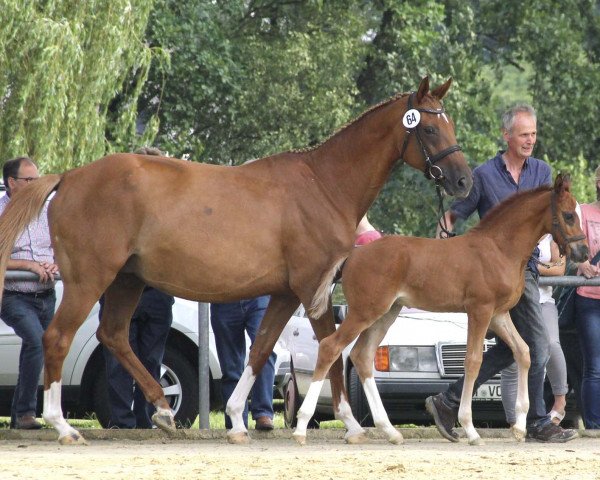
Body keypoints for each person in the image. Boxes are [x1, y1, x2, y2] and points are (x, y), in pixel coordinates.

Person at [425, 104, 578, 442]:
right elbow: (456, 214)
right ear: (506, 135)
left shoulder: (541, 172)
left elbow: (554, 221)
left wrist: (561, 251)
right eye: (524, 134)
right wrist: (441, 240)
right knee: (534, 345)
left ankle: (448, 400)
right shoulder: (484, 174)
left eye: (534, 134)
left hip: (526, 270)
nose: (530, 140)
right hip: (491, 272)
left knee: (518, 347)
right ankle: (537, 421)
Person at [100, 147, 175, 429]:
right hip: (121, 290)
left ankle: (147, 420)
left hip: (156, 295)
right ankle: (122, 421)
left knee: (152, 359)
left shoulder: (169, 209)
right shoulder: (119, 207)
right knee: (117, 361)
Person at [1, 156, 58, 429]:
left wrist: (54, 263)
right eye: (30, 180)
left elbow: (62, 245)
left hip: (46, 295)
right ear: (12, 183)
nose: (38, 186)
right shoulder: (1, 211)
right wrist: (28, 265)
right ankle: (25, 413)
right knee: (36, 341)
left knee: (40, 347)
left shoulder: (48, 210)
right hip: (14, 295)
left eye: (39, 180)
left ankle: (18, 418)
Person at [500, 234, 569, 426]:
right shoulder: (517, 231)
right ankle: (513, 421)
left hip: (544, 301)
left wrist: (529, 266)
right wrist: (543, 268)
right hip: (515, 302)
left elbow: (560, 269)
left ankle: (560, 401)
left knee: (551, 344)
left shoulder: (553, 237)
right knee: (512, 360)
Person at [100, 287, 174, 428]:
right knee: (119, 364)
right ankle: (122, 424)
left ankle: (144, 424)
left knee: (151, 362)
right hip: (120, 292)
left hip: (157, 295)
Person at [210, 296, 276, 430]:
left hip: (258, 295)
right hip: (224, 298)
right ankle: (236, 420)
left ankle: (263, 413)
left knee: (265, 351)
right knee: (230, 366)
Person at [572, 165, 600, 428]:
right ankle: (594, 427)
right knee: (594, 365)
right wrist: (580, 264)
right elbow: (566, 245)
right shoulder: (583, 211)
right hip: (589, 297)